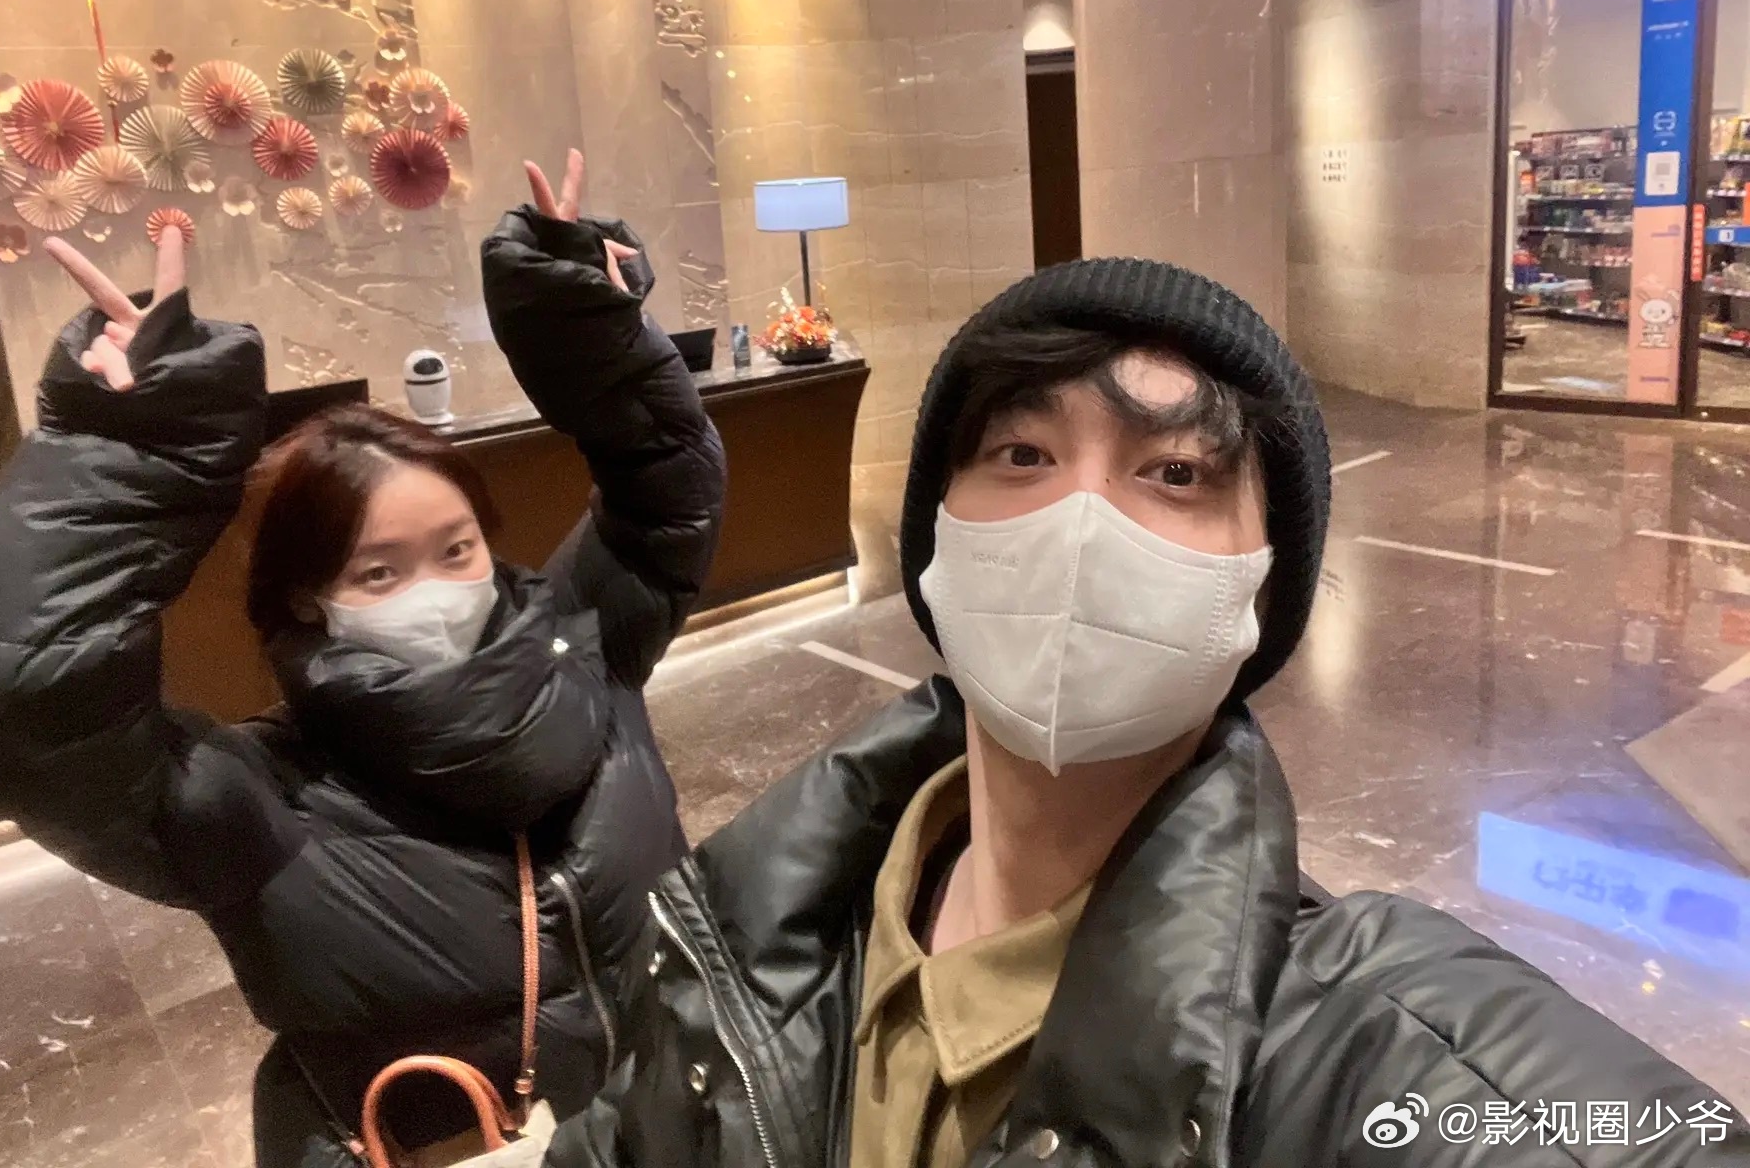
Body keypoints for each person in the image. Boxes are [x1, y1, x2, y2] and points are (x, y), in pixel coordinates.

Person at [546, 258, 1748, 1168]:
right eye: (1021, 455)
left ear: (1259, 587)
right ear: (938, 542)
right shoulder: (752, 923)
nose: (1081, 526)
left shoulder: (1381, 1048)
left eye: (1174, 473)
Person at [0, 152, 726, 1168]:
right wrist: (124, 460)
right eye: (379, 572)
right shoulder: (253, 805)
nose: (437, 587)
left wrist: (591, 330)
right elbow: (12, 713)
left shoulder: (583, 652)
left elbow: (665, 488)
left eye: (456, 550)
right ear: (309, 594)